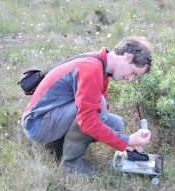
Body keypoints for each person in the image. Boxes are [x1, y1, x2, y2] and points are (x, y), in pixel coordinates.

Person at [21, 36, 153, 176]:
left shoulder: (101, 65)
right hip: (37, 124)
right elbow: (88, 121)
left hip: (50, 117)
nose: (130, 79)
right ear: (127, 57)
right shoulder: (92, 68)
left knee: (116, 124)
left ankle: (60, 146)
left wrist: (126, 143)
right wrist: (125, 140)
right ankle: (70, 166)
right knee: (95, 110)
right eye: (133, 72)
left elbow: (100, 116)